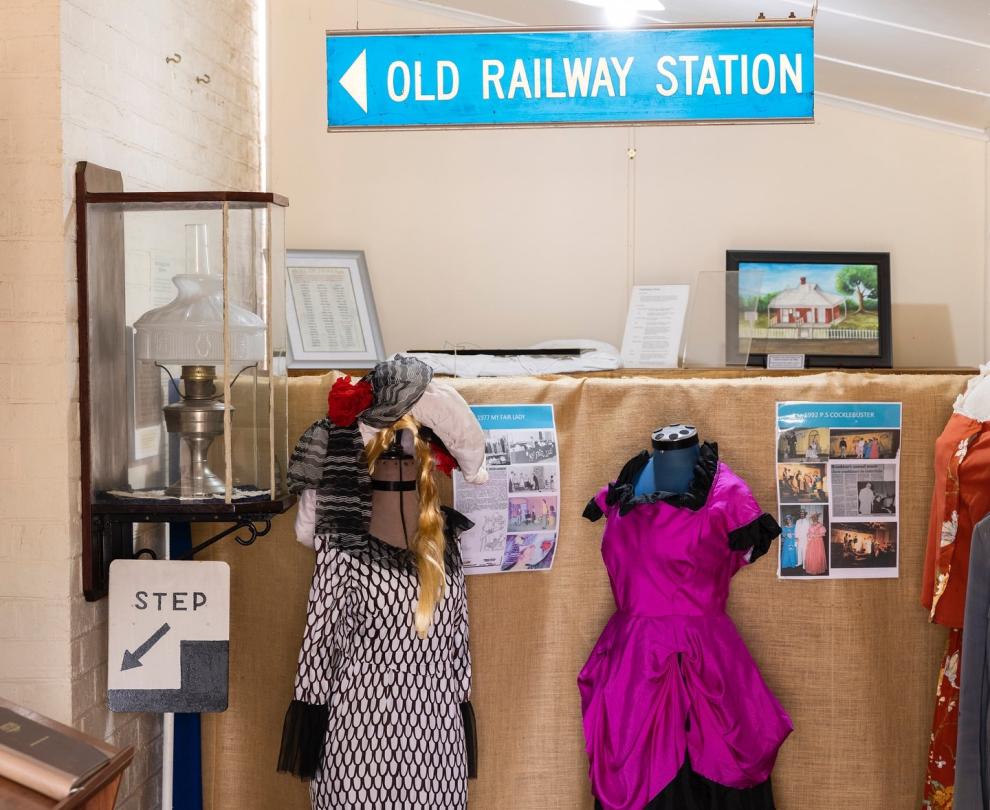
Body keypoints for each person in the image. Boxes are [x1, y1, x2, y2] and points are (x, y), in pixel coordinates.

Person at [278, 358, 489, 809]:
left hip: (436, 741)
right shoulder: (342, 544)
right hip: (358, 739)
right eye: (389, 440)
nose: (398, 448)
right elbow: (318, 642)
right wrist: (309, 717)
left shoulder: (447, 545)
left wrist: (459, 702)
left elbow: (459, 648)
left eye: (408, 438)